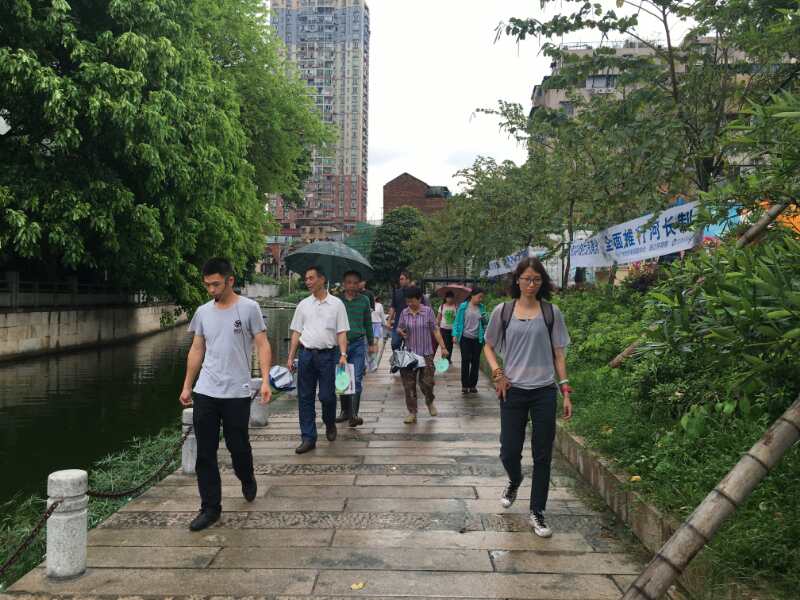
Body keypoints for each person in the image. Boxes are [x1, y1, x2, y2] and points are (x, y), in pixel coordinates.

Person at [179, 258, 272, 532]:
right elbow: (197, 349)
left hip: (237, 392)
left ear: (230, 281)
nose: (211, 290)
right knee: (205, 453)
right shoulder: (203, 312)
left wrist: (265, 380)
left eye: (216, 284)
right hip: (206, 391)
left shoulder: (249, 308)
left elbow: (262, 344)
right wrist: (187, 385)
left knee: (238, 446)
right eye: (207, 285)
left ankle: (247, 476)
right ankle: (210, 508)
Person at [483, 257, 573, 539]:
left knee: (542, 454)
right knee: (509, 451)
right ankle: (515, 478)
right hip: (512, 390)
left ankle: (537, 511)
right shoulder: (503, 311)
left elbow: (559, 354)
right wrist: (498, 373)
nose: (531, 284)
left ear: (542, 282)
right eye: (526, 279)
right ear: (517, 280)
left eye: (536, 279)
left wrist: (565, 390)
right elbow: (488, 346)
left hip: (544, 390)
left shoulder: (551, 312)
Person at [286, 266, 349, 454]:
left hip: (328, 355)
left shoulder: (337, 304)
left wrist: (343, 354)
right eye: (306, 278)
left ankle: (329, 422)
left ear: (322, 279)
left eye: (311, 278)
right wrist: (291, 356)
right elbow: (296, 332)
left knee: (327, 396)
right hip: (306, 354)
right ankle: (308, 437)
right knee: (305, 397)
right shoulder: (303, 305)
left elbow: (342, 332)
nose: (308, 282)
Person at [396, 286, 449, 423]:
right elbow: (399, 328)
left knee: (427, 383)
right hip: (410, 355)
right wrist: (400, 332)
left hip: (426, 353)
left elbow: (435, 330)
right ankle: (412, 412)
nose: (409, 303)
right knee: (409, 385)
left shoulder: (428, 311)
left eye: (412, 300)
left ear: (419, 299)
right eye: (407, 301)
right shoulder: (404, 313)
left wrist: (443, 347)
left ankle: (429, 401)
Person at [336, 270, 376, 427]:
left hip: (358, 343)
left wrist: (371, 342)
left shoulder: (364, 300)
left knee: (357, 378)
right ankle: (344, 411)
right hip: (340, 345)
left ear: (359, 284)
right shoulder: (337, 301)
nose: (352, 286)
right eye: (349, 282)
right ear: (344, 284)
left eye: (355, 283)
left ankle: (354, 414)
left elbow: (368, 322)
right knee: (342, 378)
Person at [452, 287, 487, 394]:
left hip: (478, 338)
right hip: (465, 338)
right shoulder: (463, 307)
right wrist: (455, 334)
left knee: (475, 361)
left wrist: (485, 319)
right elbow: (457, 321)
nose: (481, 299)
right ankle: (465, 385)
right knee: (465, 360)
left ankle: (472, 385)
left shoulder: (482, 307)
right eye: (479, 297)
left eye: (482, 297)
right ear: (472, 295)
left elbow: (485, 323)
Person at [387, 271, 412, 351]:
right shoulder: (397, 292)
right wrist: (389, 321)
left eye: (402, 279)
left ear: (408, 280)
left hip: (411, 324)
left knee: (410, 348)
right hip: (398, 324)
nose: (400, 281)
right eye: (400, 279)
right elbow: (393, 307)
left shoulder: (414, 292)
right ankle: (398, 357)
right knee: (394, 344)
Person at [436, 290, 457, 358]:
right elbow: (438, 318)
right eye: (448, 297)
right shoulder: (442, 306)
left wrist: (456, 331)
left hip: (451, 329)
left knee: (450, 345)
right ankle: (444, 358)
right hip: (443, 329)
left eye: (451, 297)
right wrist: (437, 327)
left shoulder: (455, 307)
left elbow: (456, 319)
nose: (450, 299)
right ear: (445, 298)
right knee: (444, 344)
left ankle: (448, 358)